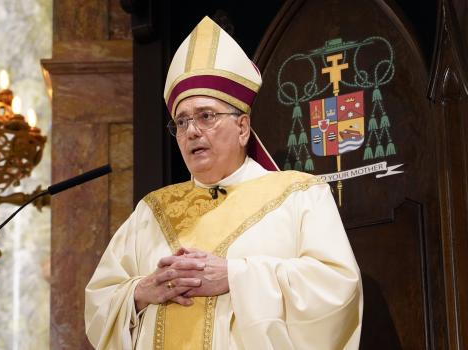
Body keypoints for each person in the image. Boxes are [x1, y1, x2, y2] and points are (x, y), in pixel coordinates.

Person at [85, 16, 363, 349]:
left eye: (206, 116)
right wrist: (140, 293)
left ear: (243, 127)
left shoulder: (299, 195)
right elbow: (99, 302)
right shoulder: (151, 212)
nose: (191, 131)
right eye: (182, 121)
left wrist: (234, 276)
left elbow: (337, 288)